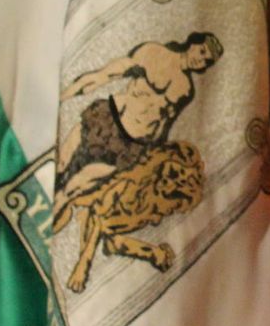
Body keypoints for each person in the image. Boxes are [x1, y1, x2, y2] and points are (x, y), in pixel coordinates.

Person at [54, 31, 223, 204]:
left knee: (73, 189)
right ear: (193, 43)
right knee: (59, 165)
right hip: (110, 118)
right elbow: (104, 75)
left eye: (206, 61)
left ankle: (60, 202)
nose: (200, 60)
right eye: (202, 51)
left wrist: (150, 155)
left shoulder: (186, 90)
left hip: (132, 144)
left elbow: (165, 126)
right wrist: (62, 97)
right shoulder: (155, 53)